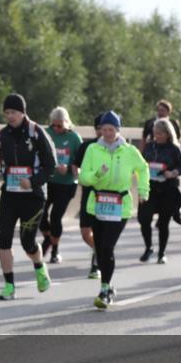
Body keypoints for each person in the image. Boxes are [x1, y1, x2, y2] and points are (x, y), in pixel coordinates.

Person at [0, 93, 56, 301]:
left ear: (22, 112)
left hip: (33, 196)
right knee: (4, 239)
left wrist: (32, 181)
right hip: (10, 195)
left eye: (13, 112)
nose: (10, 116)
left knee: (27, 242)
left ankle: (39, 266)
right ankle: (9, 285)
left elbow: (50, 166)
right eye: (6, 113)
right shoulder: (2, 135)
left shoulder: (36, 133)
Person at [78, 111, 149, 309]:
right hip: (98, 203)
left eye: (111, 129)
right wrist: (98, 174)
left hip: (120, 205)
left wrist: (143, 191)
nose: (107, 133)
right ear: (100, 130)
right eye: (104, 129)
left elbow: (143, 169)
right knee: (100, 248)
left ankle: (104, 288)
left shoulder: (129, 151)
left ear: (118, 130)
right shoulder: (92, 149)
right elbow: (84, 178)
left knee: (108, 246)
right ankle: (107, 286)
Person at [138, 118, 181, 264]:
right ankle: (148, 247)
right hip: (150, 188)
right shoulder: (149, 147)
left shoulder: (174, 149)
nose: (157, 136)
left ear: (167, 134)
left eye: (160, 133)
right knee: (144, 219)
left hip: (167, 189)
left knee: (164, 223)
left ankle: (162, 253)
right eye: (155, 133)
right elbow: (141, 164)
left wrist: (172, 173)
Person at [39, 106, 83, 264]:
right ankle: (48, 238)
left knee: (55, 216)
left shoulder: (74, 138)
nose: (56, 129)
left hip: (66, 183)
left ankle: (55, 250)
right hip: (49, 181)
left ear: (67, 123)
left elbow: (82, 160)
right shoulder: (46, 133)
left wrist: (70, 168)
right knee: (41, 215)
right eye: (54, 125)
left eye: (60, 126)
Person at [75, 114, 104, 279]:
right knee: (86, 233)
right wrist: (79, 177)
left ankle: (97, 263)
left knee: (100, 231)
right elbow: (76, 166)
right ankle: (99, 250)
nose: (103, 132)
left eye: (106, 128)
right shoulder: (87, 146)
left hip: (107, 195)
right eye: (100, 128)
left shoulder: (117, 148)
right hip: (88, 194)